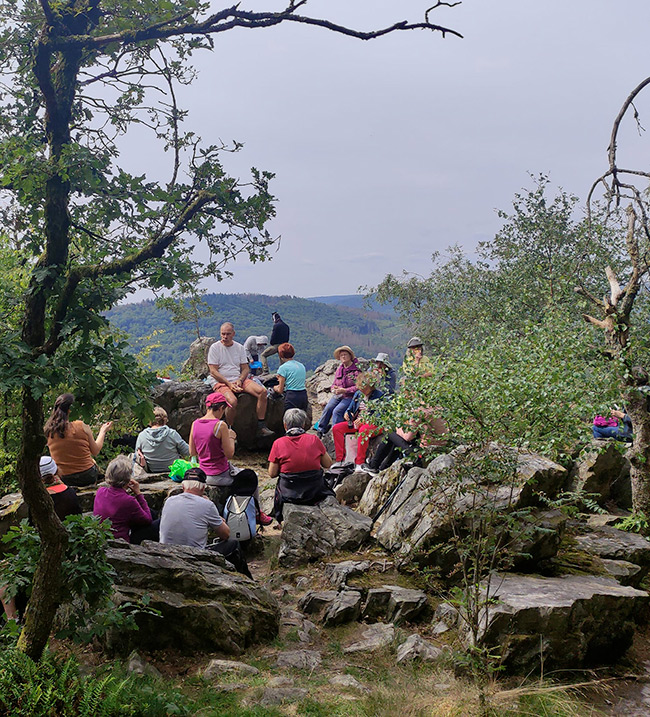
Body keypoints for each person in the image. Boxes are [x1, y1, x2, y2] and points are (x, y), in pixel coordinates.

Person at [189, 392, 272, 524]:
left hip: (204, 473)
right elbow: (229, 454)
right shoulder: (220, 425)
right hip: (220, 474)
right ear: (221, 408)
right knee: (253, 476)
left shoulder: (195, 423)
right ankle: (257, 513)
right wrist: (232, 437)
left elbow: (192, 451)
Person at [159, 467, 252, 578]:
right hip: (194, 558)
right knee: (233, 544)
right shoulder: (207, 505)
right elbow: (226, 534)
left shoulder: (170, 501)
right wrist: (217, 516)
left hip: (167, 555)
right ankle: (245, 579)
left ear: (183, 486)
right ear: (203, 488)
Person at [206, 322, 274, 436]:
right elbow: (213, 371)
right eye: (223, 334)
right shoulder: (215, 348)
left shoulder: (239, 348)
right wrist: (228, 384)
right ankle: (229, 429)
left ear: (233, 334)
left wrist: (240, 380)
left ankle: (261, 426)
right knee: (232, 401)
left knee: (262, 392)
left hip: (238, 379)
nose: (225, 337)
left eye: (228, 334)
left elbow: (245, 368)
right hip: (221, 381)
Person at [268, 408, 334, 522]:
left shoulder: (278, 443)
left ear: (285, 425)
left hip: (289, 492)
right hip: (314, 492)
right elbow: (328, 464)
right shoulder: (314, 439)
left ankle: (280, 520)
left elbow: (272, 473)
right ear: (303, 424)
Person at [44, 393, 112, 487]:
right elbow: (95, 451)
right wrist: (103, 431)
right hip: (87, 475)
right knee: (93, 462)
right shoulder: (81, 425)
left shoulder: (49, 430)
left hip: (64, 477)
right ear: (70, 410)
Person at [93, 456, 159, 544]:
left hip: (102, 537)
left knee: (150, 512)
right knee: (159, 522)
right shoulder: (128, 500)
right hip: (121, 542)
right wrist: (138, 494)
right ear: (128, 478)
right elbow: (147, 519)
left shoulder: (100, 491)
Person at [332, 373, 384, 473]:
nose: (362, 390)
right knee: (337, 428)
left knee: (363, 430)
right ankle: (340, 460)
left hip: (373, 424)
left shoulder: (379, 396)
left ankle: (360, 462)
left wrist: (365, 419)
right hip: (357, 422)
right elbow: (350, 408)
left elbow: (380, 416)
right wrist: (348, 413)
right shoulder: (358, 394)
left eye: (364, 388)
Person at [314, 345, 360, 437]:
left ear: (350, 356)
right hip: (339, 395)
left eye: (345, 354)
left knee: (337, 411)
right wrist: (333, 389)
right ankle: (321, 429)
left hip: (350, 397)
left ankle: (336, 432)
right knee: (328, 408)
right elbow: (334, 383)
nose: (343, 357)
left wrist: (345, 390)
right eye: (341, 355)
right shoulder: (340, 369)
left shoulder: (356, 371)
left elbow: (358, 388)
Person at [135, 406, 190, 473]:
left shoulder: (142, 435)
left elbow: (137, 455)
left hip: (152, 470)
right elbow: (187, 451)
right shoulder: (172, 433)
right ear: (165, 419)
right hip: (173, 470)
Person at [273, 343, 308, 411]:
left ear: (281, 354)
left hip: (292, 396)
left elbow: (280, 390)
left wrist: (274, 388)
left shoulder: (283, 368)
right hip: (303, 395)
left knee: (290, 419)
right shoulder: (301, 365)